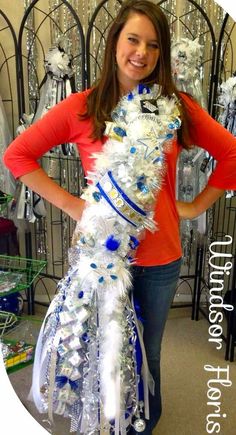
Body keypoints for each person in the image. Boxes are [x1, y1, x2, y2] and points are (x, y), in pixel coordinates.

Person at [3, 1, 236, 433]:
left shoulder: (177, 108)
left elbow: (232, 152)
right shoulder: (82, 107)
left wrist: (196, 206)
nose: (141, 53)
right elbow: (18, 156)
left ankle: (145, 422)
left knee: (147, 350)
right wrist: (76, 206)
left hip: (160, 261)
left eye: (153, 45)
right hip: (102, 260)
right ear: (115, 43)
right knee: (102, 351)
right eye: (133, 39)